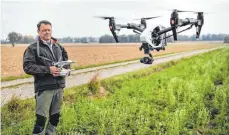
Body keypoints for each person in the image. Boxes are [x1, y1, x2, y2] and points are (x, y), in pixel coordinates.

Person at [23, 20, 69, 135]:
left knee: (55, 118)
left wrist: (66, 71)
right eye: (44, 30)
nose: (47, 32)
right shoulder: (32, 48)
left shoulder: (59, 47)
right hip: (44, 88)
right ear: (38, 31)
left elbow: (66, 62)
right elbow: (28, 67)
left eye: (49, 30)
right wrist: (48, 70)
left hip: (59, 87)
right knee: (41, 120)